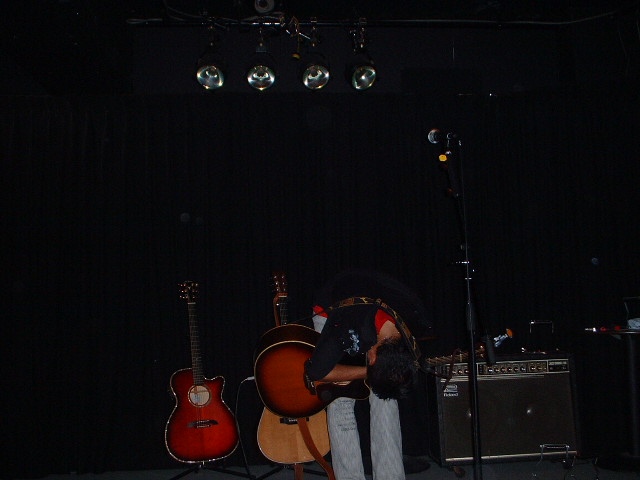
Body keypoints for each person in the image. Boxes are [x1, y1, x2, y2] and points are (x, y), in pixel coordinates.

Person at [304, 269, 431, 480]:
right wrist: (370, 373)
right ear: (371, 358)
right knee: (340, 397)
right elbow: (316, 373)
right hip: (332, 308)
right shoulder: (343, 329)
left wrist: (383, 375)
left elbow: (397, 370)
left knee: (385, 398)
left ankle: (390, 476)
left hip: (375, 297)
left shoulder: (414, 325)